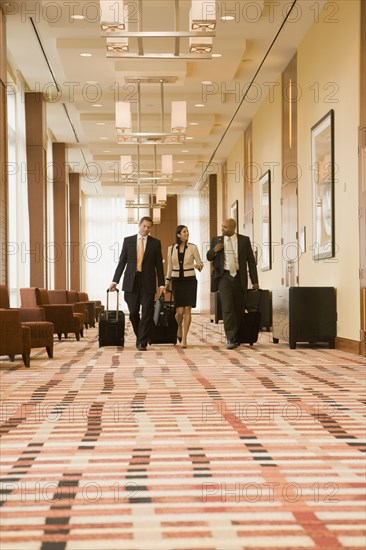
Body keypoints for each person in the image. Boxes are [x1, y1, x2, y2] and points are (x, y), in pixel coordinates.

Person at [108, 216, 165, 351]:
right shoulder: (128, 241)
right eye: (144, 226)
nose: (146, 229)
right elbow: (122, 262)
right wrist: (115, 281)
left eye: (149, 227)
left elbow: (159, 266)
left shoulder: (155, 243)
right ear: (139, 225)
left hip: (148, 281)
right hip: (131, 282)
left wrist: (162, 285)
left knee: (147, 313)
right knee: (133, 312)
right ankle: (141, 335)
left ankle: (142, 342)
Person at [207, 218, 259, 350]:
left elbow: (251, 262)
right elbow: (208, 256)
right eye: (221, 226)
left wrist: (255, 281)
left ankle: (237, 336)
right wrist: (215, 250)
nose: (222, 229)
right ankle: (230, 338)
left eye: (224, 227)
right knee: (227, 306)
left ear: (233, 228)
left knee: (238, 308)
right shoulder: (216, 240)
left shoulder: (244, 240)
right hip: (224, 277)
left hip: (239, 277)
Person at [165, 225, 203, 349]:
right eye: (184, 232)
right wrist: (167, 281)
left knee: (187, 309)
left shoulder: (193, 247)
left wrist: (198, 266)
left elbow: (200, 263)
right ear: (178, 235)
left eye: (187, 231)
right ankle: (179, 327)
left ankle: (185, 338)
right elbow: (170, 266)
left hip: (190, 280)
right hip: (176, 281)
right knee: (179, 311)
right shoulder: (171, 249)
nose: (187, 233)